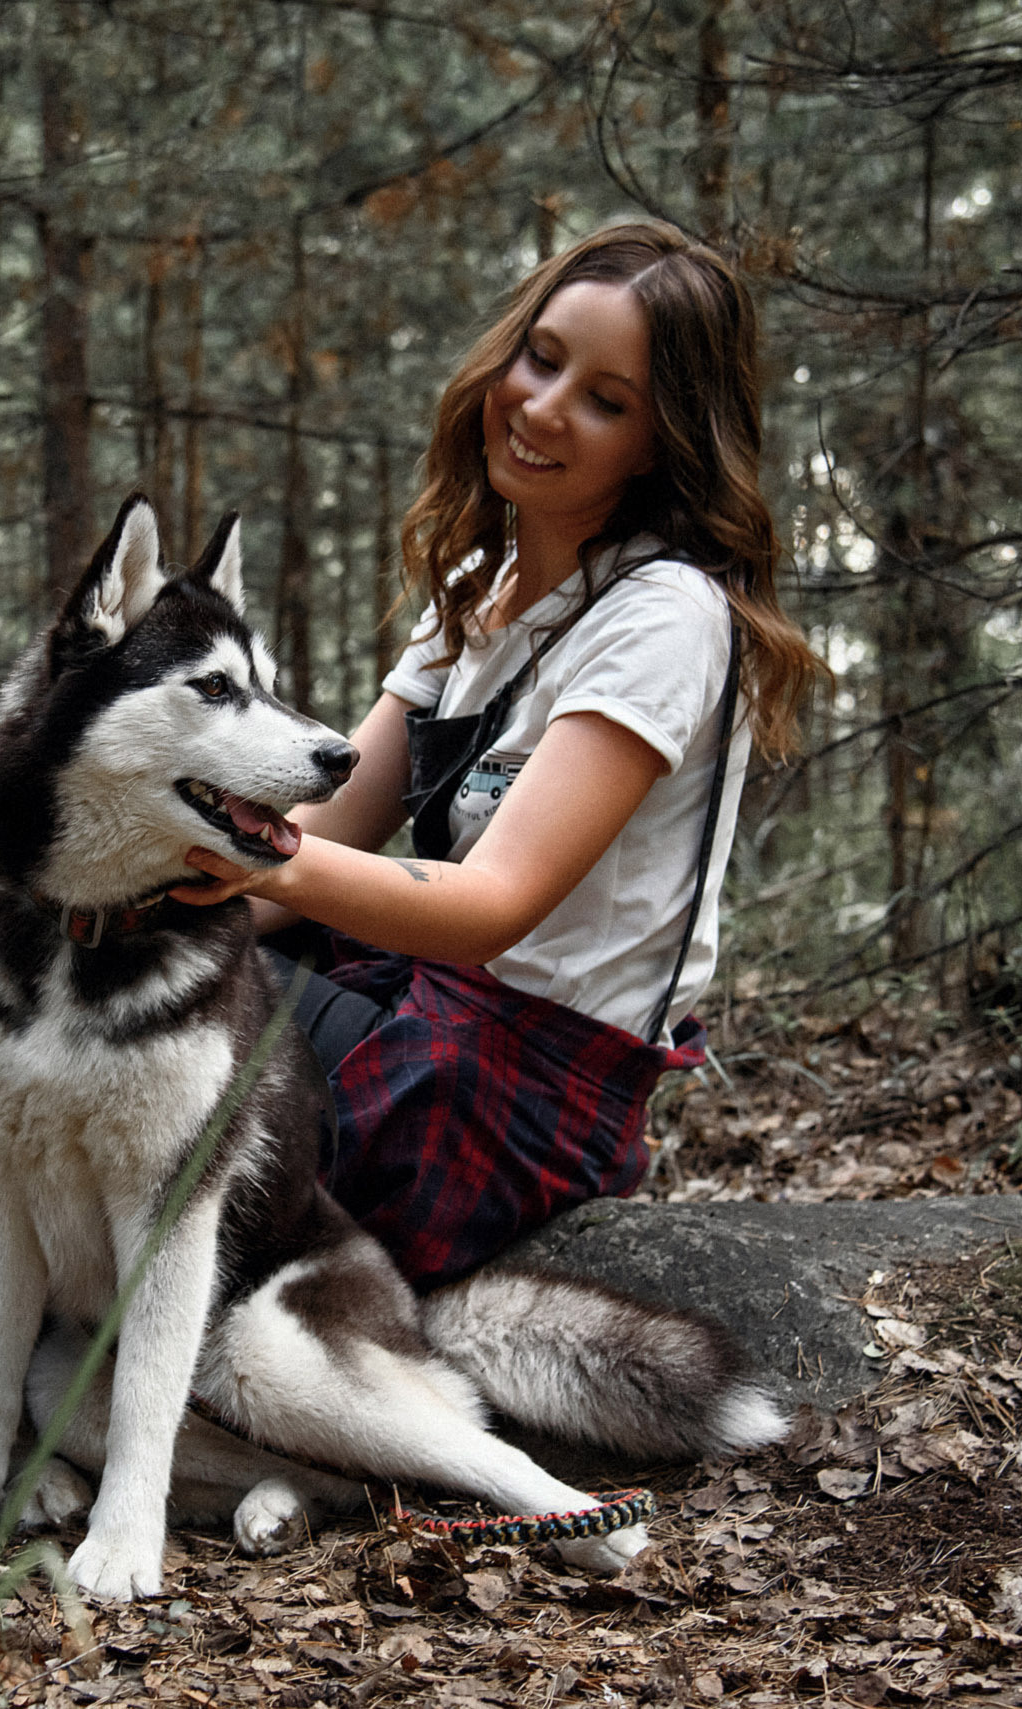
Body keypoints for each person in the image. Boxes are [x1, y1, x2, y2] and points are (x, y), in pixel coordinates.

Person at [172, 220, 822, 1292]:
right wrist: (153, 900)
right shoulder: (483, 579)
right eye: (542, 357)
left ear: (661, 441)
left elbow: (491, 902)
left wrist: (247, 856)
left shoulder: (665, 615)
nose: (542, 406)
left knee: (168, 1039)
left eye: (607, 401)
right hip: (415, 1008)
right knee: (124, 977)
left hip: (517, 1083)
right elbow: (336, 824)